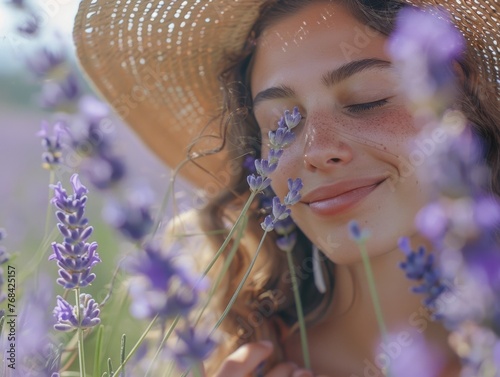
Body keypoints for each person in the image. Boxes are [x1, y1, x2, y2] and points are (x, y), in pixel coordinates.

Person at [73, 0, 500, 376]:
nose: (317, 150)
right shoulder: (224, 360)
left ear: (464, 101)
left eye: (367, 100)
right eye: (281, 124)